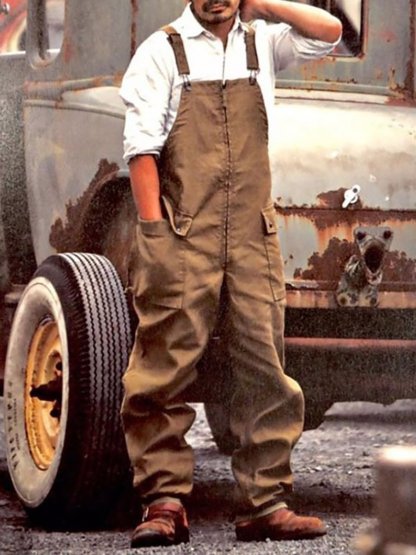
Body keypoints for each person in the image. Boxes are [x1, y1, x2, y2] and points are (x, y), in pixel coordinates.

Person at [119, 0, 342, 548]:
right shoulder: (161, 52)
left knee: (265, 365)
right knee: (163, 364)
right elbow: (142, 152)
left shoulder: (260, 43)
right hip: (184, 235)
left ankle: (266, 504)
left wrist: (261, 3)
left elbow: (330, 31)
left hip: (251, 236)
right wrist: (155, 234)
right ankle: (164, 502)